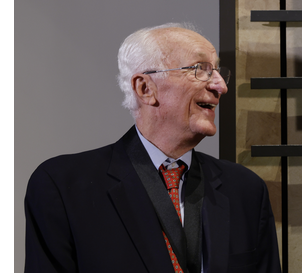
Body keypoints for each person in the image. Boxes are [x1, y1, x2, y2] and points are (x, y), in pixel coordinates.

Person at [24, 23, 281, 273]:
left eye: (217, 72)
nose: (220, 86)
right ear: (145, 88)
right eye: (200, 70)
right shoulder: (62, 186)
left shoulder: (246, 190)